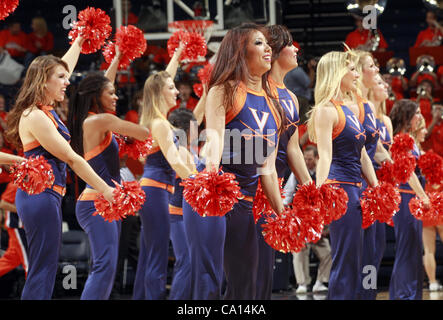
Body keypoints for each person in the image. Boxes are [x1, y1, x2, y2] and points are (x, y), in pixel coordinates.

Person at [5, 36, 115, 300]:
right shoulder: (35, 115)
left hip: (47, 196)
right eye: (62, 78)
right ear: (44, 81)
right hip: (39, 198)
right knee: (42, 269)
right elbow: (72, 159)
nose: (68, 82)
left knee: (44, 268)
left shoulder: (45, 108)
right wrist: (106, 190)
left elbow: (61, 66)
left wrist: (79, 38)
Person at [182, 23, 285, 300]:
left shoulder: (273, 104)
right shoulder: (224, 91)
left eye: (268, 43)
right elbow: (213, 139)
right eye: (259, 43)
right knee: (208, 284)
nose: (268, 49)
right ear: (241, 51)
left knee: (245, 287)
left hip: (246, 205)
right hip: (213, 197)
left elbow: (268, 168)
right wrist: (212, 177)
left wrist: (282, 213)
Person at [67, 47, 150, 300]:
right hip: (95, 203)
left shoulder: (93, 119)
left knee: (105, 267)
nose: (116, 97)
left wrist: (116, 59)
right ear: (96, 96)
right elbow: (145, 133)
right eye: (111, 94)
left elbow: (105, 84)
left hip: (103, 202)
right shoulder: (100, 121)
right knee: (104, 267)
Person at [306, 50, 380, 300]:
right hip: (341, 190)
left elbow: (363, 156)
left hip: (356, 189)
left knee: (358, 259)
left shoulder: (349, 108)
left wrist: (377, 187)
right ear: (337, 72)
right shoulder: (326, 110)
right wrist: (319, 194)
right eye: (351, 69)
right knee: (346, 260)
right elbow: (324, 156)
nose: (356, 73)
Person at [134, 42, 198, 300]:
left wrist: (179, 53)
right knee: (157, 256)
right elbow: (174, 160)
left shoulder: (154, 119)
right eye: (171, 88)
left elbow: (162, 79)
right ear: (161, 93)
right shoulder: (160, 124)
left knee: (151, 254)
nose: (177, 91)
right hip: (156, 191)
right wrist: (198, 182)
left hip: (155, 190)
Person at [259, 24, 312, 300]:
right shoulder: (258, 89)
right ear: (276, 51)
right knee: (250, 273)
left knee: (265, 272)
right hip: (255, 189)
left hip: (275, 188)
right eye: (291, 44)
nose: (296, 49)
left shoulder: (291, 97)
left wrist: (311, 188)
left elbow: (293, 149)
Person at [388, 99, 430, 300]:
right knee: (406, 249)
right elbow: (407, 173)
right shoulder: (400, 140)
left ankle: (413, 294)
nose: (421, 117)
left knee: (414, 250)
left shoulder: (412, 140)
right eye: (418, 113)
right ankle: (402, 295)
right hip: (406, 200)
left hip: (415, 200)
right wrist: (423, 195)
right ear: (406, 117)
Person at [283, 146, 331, 294]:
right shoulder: (295, 174)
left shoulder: (324, 174)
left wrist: (325, 227)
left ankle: (320, 281)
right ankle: (302, 283)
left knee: (327, 252)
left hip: (318, 225)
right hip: (300, 223)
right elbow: (286, 196)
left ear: (317, 158)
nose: (306, 161)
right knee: (298, 252)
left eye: (309, 159)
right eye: (304, 158)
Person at [0, 182, 27, 279]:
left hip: (24, 227)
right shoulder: (16, 185)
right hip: (18, 227)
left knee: (11, 259)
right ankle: (36, 292)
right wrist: (23, 211)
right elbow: (3, 204)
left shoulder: (34, 183)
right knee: (30, 263)